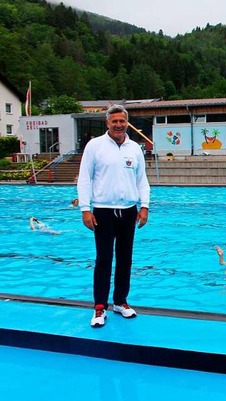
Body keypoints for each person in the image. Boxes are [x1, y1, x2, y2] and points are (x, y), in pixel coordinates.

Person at [77, 104, 150, 328]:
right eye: (114, 121)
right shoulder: (95, 146)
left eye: (122, 121)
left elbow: (142, 180)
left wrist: (144, 206)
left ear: (127, 123)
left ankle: (120, 301)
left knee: (125, 259)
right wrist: (85, 209)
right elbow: (84, 178)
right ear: (107, 123)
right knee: (104, 259)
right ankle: (100, 306)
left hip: (128, 211)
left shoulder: (134, 148)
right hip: (103, 211)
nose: (118, 124)